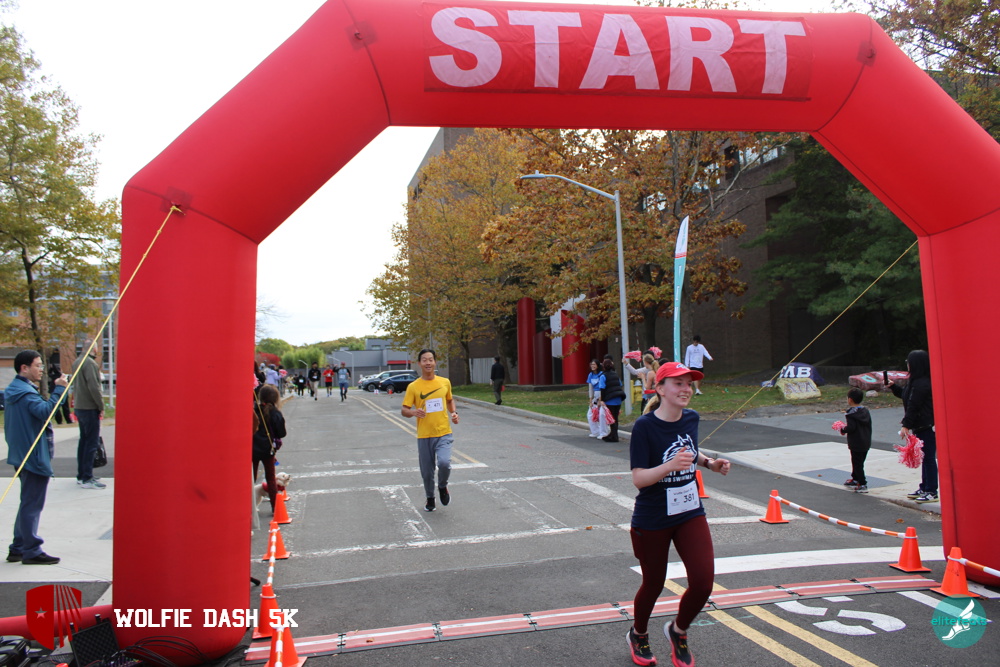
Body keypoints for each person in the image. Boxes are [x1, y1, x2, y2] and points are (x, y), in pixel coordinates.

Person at [626, 361, 731, 667]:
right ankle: (638, 634)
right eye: (678, 384)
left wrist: (709, 463)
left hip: (689, 512)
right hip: (653, 517)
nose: (686, 389)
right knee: (654, 584)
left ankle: (678, 630)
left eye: (688, 384)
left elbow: (689, 449)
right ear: (660, 389)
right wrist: (669, 466)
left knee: (703, 582)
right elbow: (639, 478)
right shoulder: (645, 427)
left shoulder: (691, 418)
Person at [5, 350, 69, 564]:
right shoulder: (25, 393)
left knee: (27, 502)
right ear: (24, 368)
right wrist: (60, 389)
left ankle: (18, 547)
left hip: (22, 455)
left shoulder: (15, 390)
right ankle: (31, 550)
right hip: (32, 457)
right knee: (32, 505)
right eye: (37, 365)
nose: (41, 370)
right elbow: (46, 412)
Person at [401, 349, 459, 512]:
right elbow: (404, 410)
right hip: (424, 435)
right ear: (419, 363)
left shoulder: (444, 382)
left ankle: (442, 486)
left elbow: (449, 400)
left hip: (443, 432)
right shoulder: (413, 386)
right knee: (427, 472)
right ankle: (430, 498)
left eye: (431, 359)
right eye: (424, 360)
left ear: (435, 362)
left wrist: (454, 413)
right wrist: (413, 412)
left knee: (444, 463)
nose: (428, 363)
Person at [889, 350, 937, 503]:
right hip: (920, 426)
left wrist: (906, 425)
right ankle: (924, 487)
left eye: (908, 362)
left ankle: (932, 491)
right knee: (924, 457)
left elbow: (914, 405)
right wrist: (894, 387)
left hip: (926, 425)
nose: (907, 364)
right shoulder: (915, 381)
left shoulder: (923, 383)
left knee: (929, 458)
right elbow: (907, 396)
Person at [72, 340, 106, 490]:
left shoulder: (77, 362)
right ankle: (87, 477)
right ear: (93, 349)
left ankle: (82, 475)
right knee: (91, 443)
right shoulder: (90, 364)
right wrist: (101, 406)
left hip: (80, 406)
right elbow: (94, 387)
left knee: (84, 442)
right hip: (89, 407)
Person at [252, 385, 286, 514]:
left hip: (252, 448)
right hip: (268, 449)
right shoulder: (275, 413)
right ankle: (275, 507)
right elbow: (282, 433)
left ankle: (249, 506)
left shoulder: (254, 410)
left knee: (251, 478)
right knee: (271, 478)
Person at [839, 387, 872, 493]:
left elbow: (851, 428)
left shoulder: (851, 414)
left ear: (850, 400)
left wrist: (842, 428)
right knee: (859, 461)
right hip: (865, 441)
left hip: (856, 442)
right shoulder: (865, 411)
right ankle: (855, 478)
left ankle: (862, 483)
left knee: (857, 464)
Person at [601, 358, 626, 443]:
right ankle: (613, 434)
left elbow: (602, 388)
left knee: (611, 418)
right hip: (618, 398)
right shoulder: (616, 375)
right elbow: (620, 384)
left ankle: (614, 436)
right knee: (615, 417)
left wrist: (602, 400)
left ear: (604, 366)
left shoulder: (603, 376)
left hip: (609, 399)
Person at [46, 353, 72, 425]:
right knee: (65, 407)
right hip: (61, 392)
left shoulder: (53, 376)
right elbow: (55, 373)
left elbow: (49, 373)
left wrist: (52, 368)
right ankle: (68, 420)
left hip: (55, 391)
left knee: (58, 408)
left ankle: (60, 421)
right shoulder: (59, 376)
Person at [586, 359, 608, 439]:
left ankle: (604, 432)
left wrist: (600, 399)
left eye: (594, 364)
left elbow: (603, 387)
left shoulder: (601, 374)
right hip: (595, 396)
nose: (592, 366)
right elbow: (590, 388)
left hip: (601, 395)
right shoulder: (590, 375)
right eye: (591, 364)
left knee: (601, 414)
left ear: (598, 365)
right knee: (590, 414)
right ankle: (595, 431)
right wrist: (590, 400)